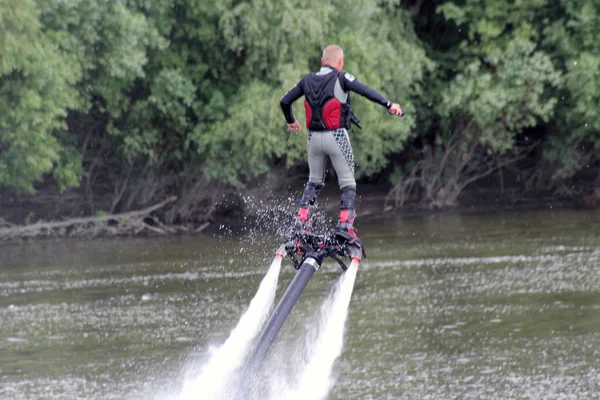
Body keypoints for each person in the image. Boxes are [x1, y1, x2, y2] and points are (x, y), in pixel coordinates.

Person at [280, 44, 404, 239]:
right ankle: (345, 225)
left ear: (322, 62)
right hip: (336, 136)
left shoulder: (306, 80)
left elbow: (284, 101)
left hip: (313, 139)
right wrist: (389, 104)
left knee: (314, 182)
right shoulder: (342, 77)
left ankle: (301, 221)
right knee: (347, 183)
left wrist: (291, 121)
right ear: (340, 62)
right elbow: (365, 90)